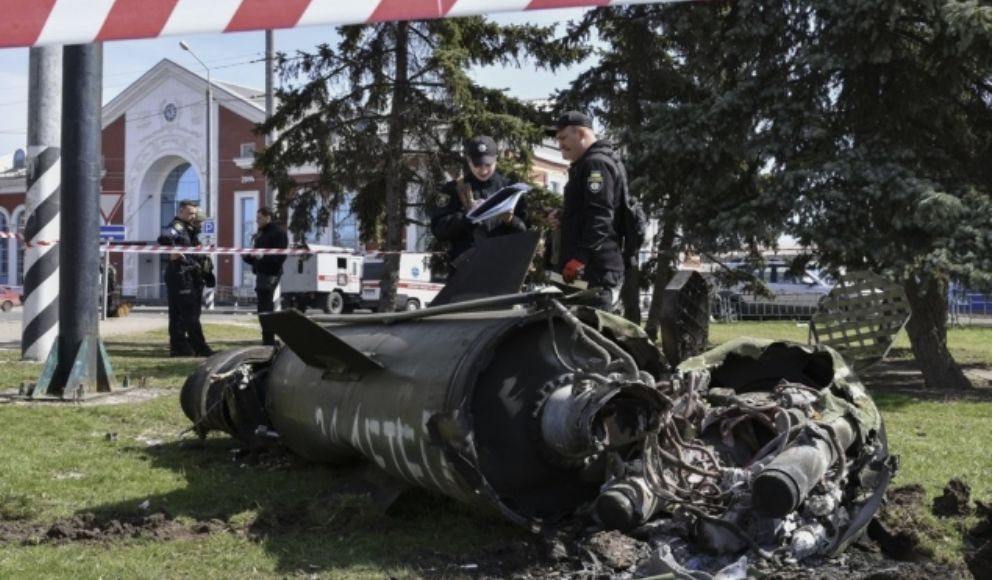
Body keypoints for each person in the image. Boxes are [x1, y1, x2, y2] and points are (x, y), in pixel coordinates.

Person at [545, 111, 626, 312]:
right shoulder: (588, 163)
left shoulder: (595, 164)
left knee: (592, 335)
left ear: (581, 133)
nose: (560, 145)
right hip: (580, 268)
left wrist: (580, 257)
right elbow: (588, 211)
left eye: (563, 138)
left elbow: (600, 216)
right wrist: (563, 217)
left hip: (591, 270)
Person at [431, 135, 529, 271]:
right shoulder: (452, 189)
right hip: (465, 270)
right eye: (478, 165)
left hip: (503, 270)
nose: (483, 171)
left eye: (488, 165)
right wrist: (467, 217)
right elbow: (439, 229)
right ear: (469, 160)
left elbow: (525, 234)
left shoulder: (510, 188)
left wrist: (511, 220)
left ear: (496, 158)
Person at [161, 199, 213, 357]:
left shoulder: (190, 229)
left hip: (186, 273)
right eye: (190, 213)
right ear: (180, 212)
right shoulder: (177, 227)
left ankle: (179, 347)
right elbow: (164, 238)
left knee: (178, 314)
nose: (193, 216)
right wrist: (172, 251)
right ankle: (200, 348)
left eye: (194, 214)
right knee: (190, 313)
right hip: (180, 274)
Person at [242, 207, 288, 346]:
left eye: (259, 217)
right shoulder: (262, 234)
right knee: (263, 308)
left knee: (265, 308)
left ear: (268, 217)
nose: (256, 220)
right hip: (261, 274)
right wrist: (247, 257)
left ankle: (269, 340)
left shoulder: (278, 233)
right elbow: (257, 258)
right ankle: (268, 339)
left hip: (270, 274)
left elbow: (280, 257)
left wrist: (263, 257)